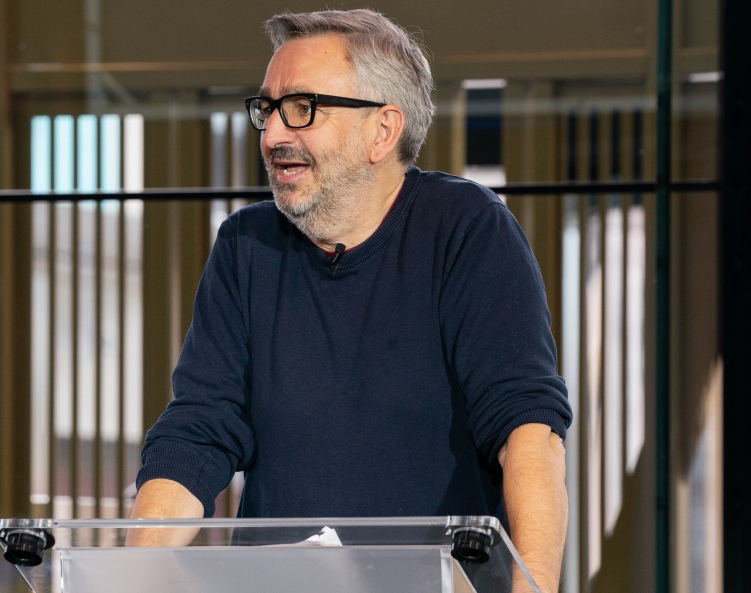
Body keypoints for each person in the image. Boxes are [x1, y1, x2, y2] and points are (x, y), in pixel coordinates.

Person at [129, 9, 572, 592]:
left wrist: (531, 589)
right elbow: (198, 433)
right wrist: (129, 574)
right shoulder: (246, 245)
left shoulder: (468, 229)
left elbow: (529, 432)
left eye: (303, 109)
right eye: (267, 109)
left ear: (382, 131)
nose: (273, 135)